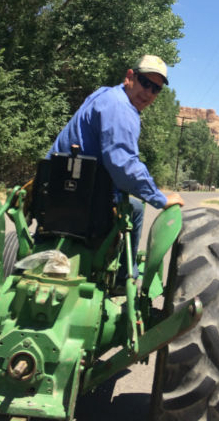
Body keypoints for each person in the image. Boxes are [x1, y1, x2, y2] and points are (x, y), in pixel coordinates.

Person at [47, 54, 184, 281]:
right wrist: (159, 198)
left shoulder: (103, 94)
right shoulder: (122, 109)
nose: (148, 93)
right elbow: (124, 168)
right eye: (145, 83)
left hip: (54, 189)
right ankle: (124, 276)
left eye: (156, 89)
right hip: (88, 198)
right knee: (137, 210)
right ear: (130, 76)